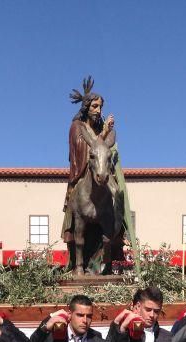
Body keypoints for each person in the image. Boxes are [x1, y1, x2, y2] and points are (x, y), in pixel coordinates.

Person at [62, 78, 116, 255]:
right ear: (86, 107)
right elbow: (83, 148)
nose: (98, 110)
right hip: (83, 171)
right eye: (94, 106)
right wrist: (104, 133)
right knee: (75, 201)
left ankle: (117, 231)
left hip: (100, 169)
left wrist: (107, 134)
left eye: (100, 106)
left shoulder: (99, 127)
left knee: (116, 194)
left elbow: (105, 150)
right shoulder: (77, 126)